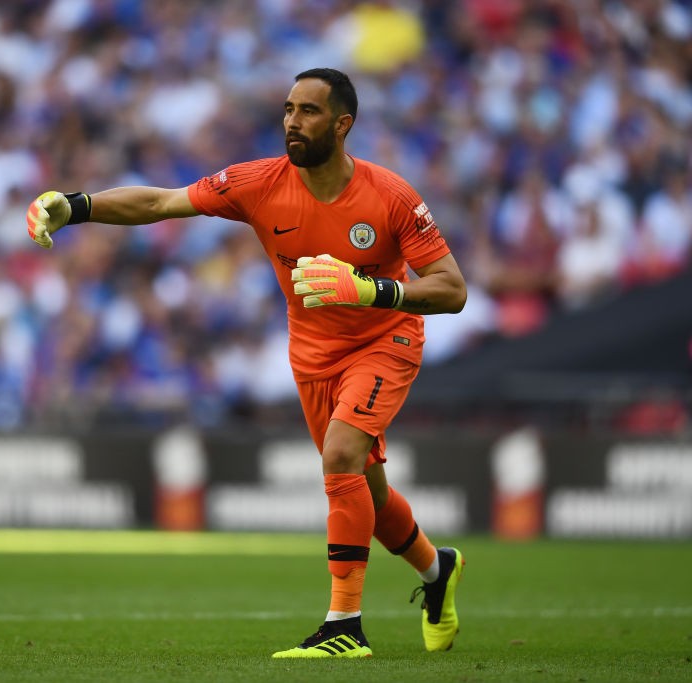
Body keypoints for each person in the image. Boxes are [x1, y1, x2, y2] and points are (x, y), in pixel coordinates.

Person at [26, 68, 468, 658]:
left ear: (343, 125)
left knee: (340, 457)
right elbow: (160, 201)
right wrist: (76, 206)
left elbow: (452, 289)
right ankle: (436, 569)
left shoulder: (391, 195)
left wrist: (372, 291)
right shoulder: (258, 182)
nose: (291, 121)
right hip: (312, 356)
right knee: (368, 490)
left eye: (308, 111)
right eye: (287, 109)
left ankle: (344, 627)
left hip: (386, 340)